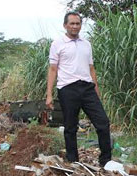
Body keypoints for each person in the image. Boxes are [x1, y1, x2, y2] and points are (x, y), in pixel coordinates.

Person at [45, 12, 111, 167]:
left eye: (78, 23)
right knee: (70, 127)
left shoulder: (86, 44)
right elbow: (53, 69)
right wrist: (49, 94)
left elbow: (91, 68)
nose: (75, 26)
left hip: (87, 88)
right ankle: (73, 161)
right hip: (68, 88)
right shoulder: (57, 44)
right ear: (65, 25)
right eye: (72, 24)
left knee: (103, 123)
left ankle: (106, 161)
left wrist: (96, 89)